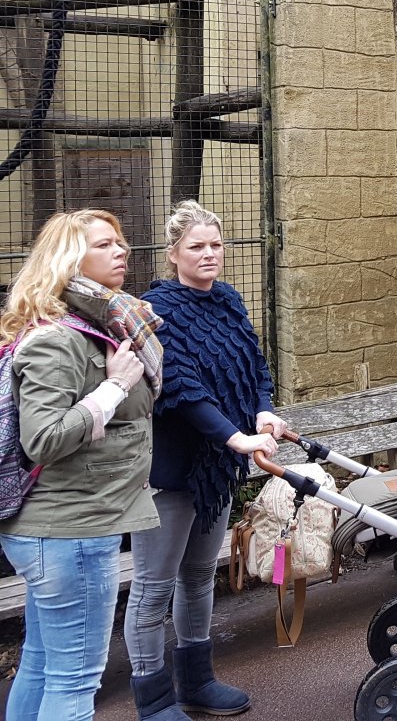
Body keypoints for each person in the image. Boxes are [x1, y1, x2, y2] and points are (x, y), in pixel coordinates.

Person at [122, 201, 286, 720]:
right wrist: (235, 438)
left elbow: (255, 364)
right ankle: (154, 701)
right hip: (170, 474)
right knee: (152, 586)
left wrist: (262, 412)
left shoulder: (229, 301)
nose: (209, 254)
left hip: (216, 473)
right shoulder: (157, 309)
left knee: (197, 576)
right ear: (173, 254)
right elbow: (184, 389)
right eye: (197, 246)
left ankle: (198, 681)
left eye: (216, 245)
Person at [0, 210, 161, 721]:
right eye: (105, 244)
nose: (122, 251)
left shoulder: (94, 325)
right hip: (70, 528)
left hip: (69, 524)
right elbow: (44, 439)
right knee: (75, 681)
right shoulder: (57, 337)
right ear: (70, 259)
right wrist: (113, 388)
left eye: (121, 241)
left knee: (43, 662)